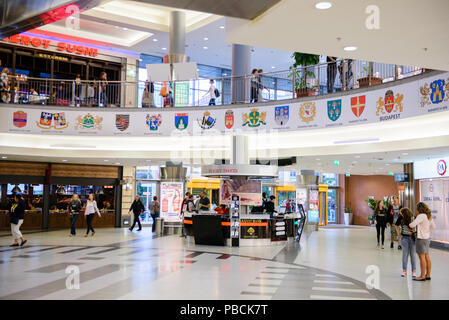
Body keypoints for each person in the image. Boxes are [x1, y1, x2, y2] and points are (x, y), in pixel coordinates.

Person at [410, 202, 436, 281]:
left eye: (416, 209)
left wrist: (411, 222)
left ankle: (422, 276)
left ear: (419, 209)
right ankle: (427, 275)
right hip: (427, 238)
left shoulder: (421, 216)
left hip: (421, 239)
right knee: (427, 257)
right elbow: (433, 227)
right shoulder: (429, 216)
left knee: (422, 258)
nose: (416, 210)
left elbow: (412, 225)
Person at [399, 207, 417, 278]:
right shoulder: (401, 219)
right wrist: (399, 233)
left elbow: (415, 229)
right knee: (404, 255)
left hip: (412, 238)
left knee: (413, 255)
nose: (401, 215)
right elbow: (397, 225)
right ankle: (404, 271)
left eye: (402, 213)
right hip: (404, 239)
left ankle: (414, 271)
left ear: (405, 213)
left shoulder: (413, 218)